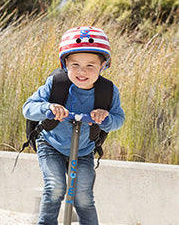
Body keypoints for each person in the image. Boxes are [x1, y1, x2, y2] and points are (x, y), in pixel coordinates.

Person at [23, 26, 125, 225]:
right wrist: (48, 108)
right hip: (51, 144)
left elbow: (118, 119)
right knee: (55, 188)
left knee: (83, 197)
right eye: (75, 64)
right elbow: (28, 108)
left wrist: (105, 118)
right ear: (65, 63)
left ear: (103, 66)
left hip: (84, 150)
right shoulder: (56, 83)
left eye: (90, 66)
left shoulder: (108, 91)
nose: (82, 71)